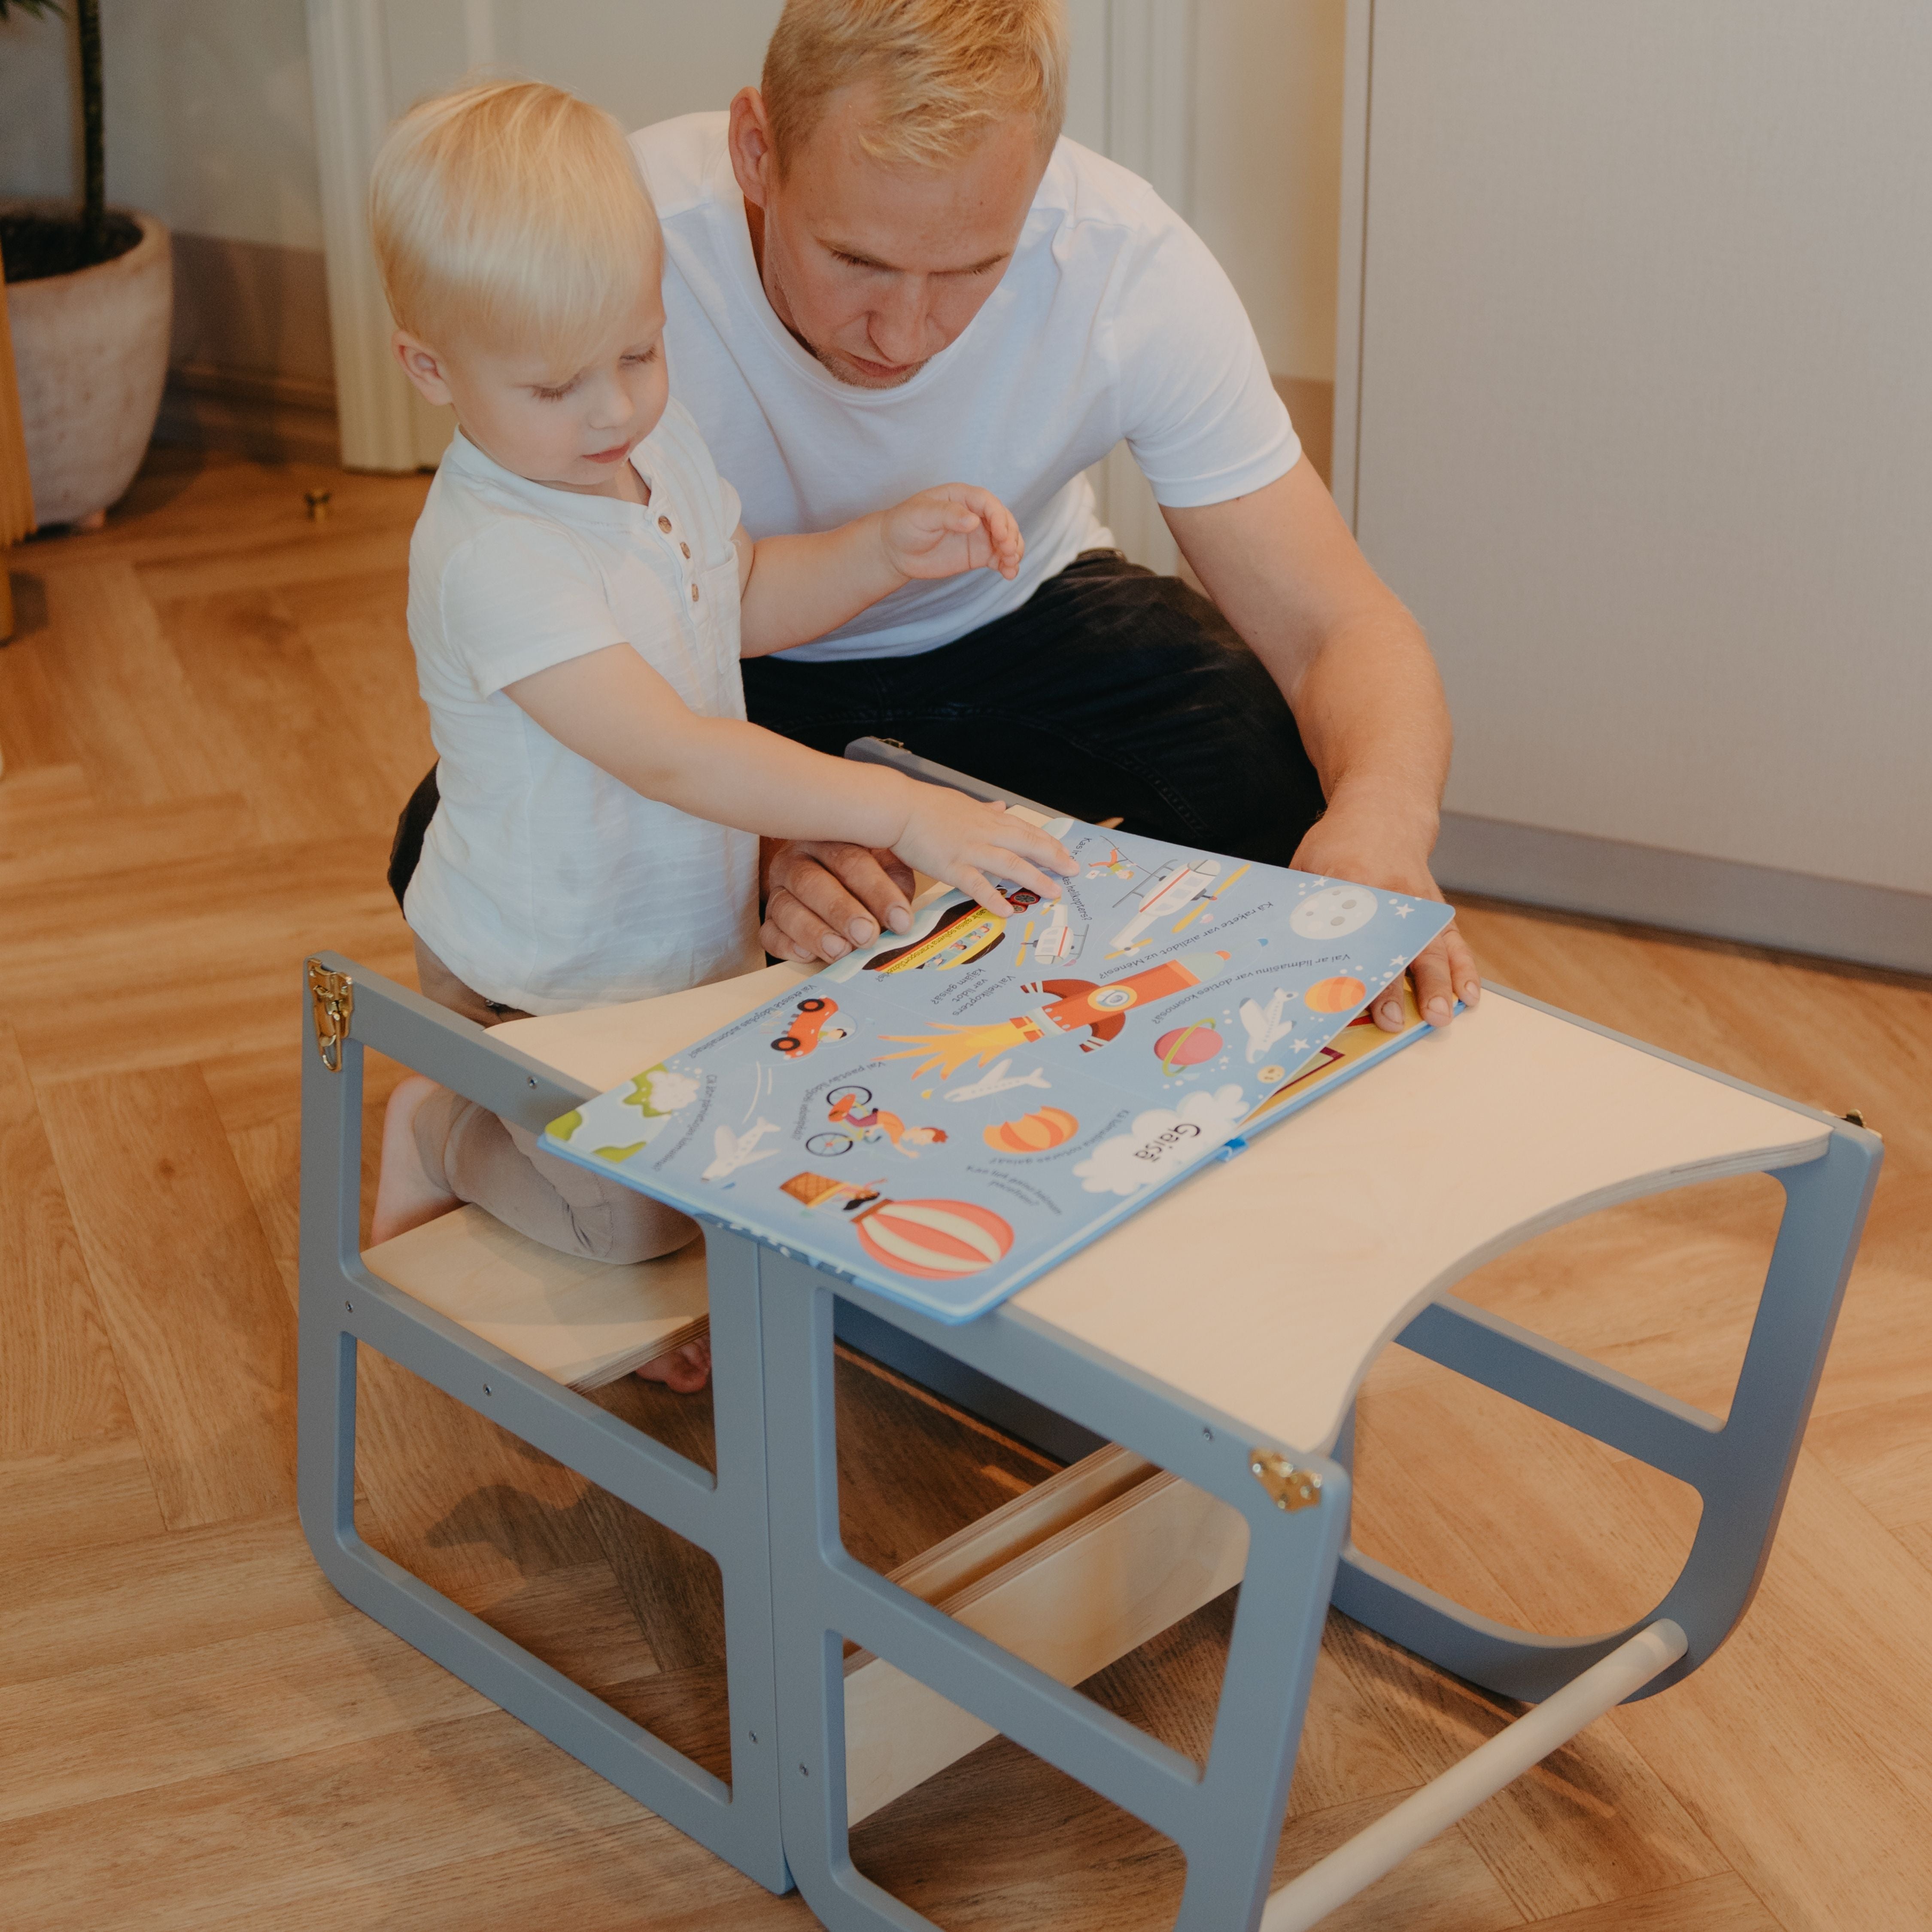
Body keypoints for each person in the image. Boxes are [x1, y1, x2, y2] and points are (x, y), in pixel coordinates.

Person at [363, 80, 1074, 1388]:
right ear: (429, 370)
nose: (611, 411)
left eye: (638, 352)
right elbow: (673, 751)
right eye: (554, 384)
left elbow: (729, 590)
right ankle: (440, 1128)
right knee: (636, 1214)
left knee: (748, 1154)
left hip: (670, 937)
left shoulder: (647, 446)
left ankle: (581, 1200)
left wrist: (876, 552)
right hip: (537, 963)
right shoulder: (495, 556)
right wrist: (903, 813)